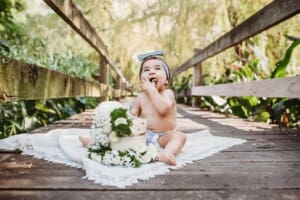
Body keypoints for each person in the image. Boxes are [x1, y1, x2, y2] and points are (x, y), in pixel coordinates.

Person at [131, 50, 186, 165]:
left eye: (157, 68)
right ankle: (96, 142)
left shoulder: (168, 94)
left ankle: (166, 153)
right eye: (146, 70)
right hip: (145, 134)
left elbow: (162, 108)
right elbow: (132, 116)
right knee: (122, 137)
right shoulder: (141, 97)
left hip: (165, 135)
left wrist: (151, 90)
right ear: (142, 80)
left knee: (180, 137)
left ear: (166, 80)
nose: (151, 72)